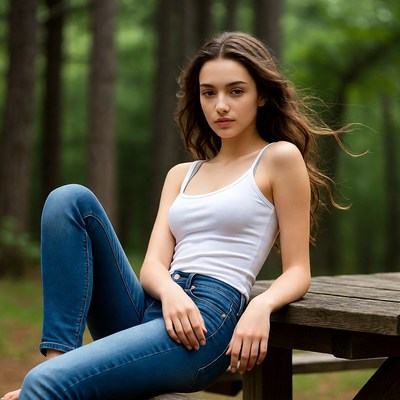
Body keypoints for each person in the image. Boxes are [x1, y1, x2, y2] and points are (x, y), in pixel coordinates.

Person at [2, 31, 344, 399]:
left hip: (205, 324)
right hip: (157, 304)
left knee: (40, 386)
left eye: (235, 91)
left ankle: (47, 383)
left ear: (261, 95)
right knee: (68, 199)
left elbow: (298, 271)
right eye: (208, 92)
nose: (220, 105)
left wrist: (260, 305)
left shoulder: (278, 159)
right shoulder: (182, 174)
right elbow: (152, 267)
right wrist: (170, 292)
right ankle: (57, 361)